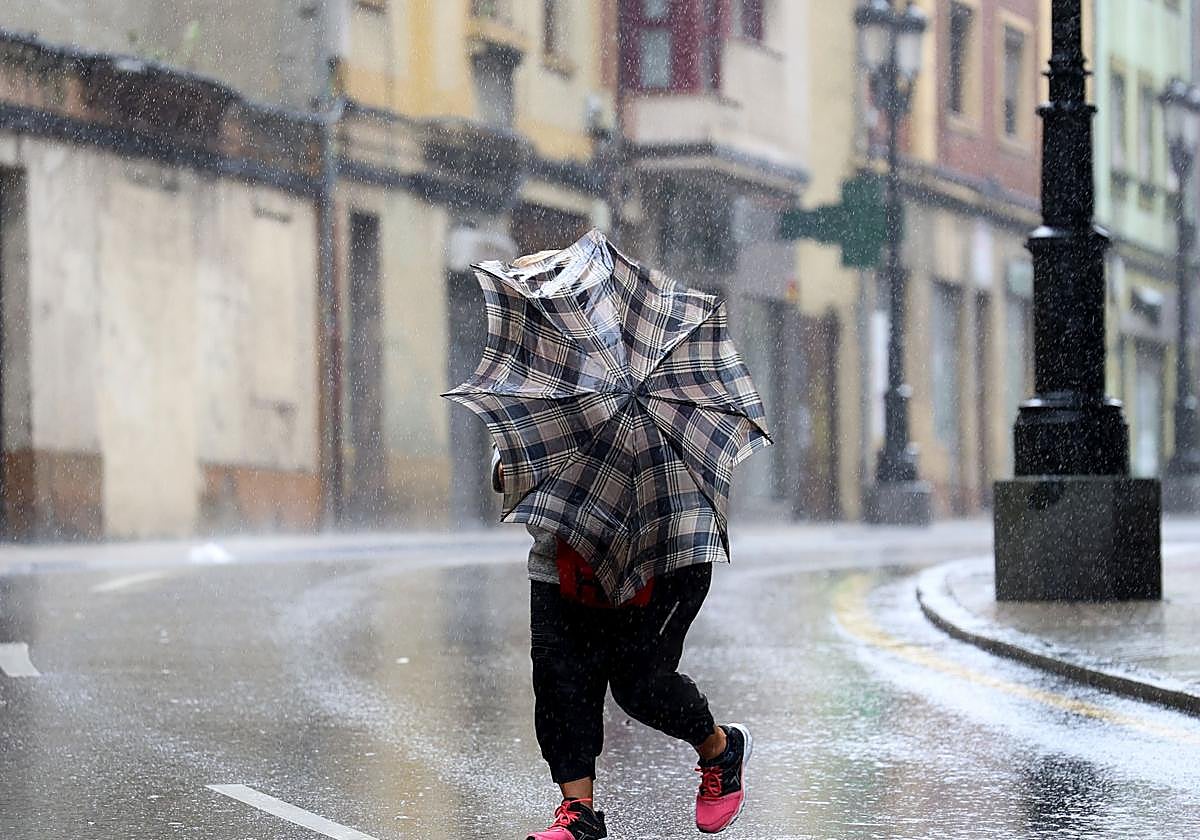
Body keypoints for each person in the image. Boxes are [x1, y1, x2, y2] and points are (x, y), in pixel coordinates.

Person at [492, 451, 752, 840]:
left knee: (640, 686)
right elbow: (504, 468)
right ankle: (579, 814)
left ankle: (720, 749)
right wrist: (515, 466)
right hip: (563, 560)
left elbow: (703, 469)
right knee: (559, 683)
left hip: (664, 558)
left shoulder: (669, 400)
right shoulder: (553, 392)